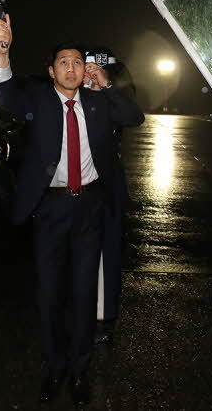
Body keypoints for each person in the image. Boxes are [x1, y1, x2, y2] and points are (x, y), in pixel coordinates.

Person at [0, 15, 144, 406]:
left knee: (83, 290)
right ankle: (54, 365)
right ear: (51, 69)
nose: (72, 68)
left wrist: (105, 83)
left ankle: (79, 369)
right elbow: (6, 95)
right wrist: (2, 51)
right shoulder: (38, 100)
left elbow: (133, 117)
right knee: (49, 292)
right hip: (51, 208)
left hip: (91, 205)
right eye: (63, 62)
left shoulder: (97, 101)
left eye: (78, 62)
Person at [83, 46, 136, 345]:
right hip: (72, 192)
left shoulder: (112, 97)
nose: (89, 73)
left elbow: (133, 116)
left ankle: (103, 318)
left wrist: (105, 83)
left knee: (106, 257)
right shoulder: (67, 95)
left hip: (106, 191)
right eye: (84, 67)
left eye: (95, 68)